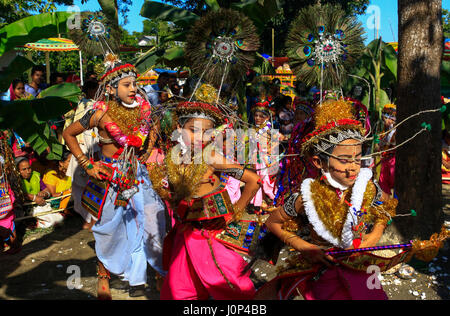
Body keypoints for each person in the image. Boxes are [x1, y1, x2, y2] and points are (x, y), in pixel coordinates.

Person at [262, 99, 397, 300]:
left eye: (358, 159)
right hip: (322, 272)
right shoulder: (307, 197)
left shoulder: (368, 187)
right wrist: (305, 247)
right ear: (318, 162)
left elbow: (387, 205)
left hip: (361, 268)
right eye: (344, 160)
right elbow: (272, 223)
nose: (353, 167)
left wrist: (375, 234)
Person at [63, 55, 166, 300]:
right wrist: (87, 165)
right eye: (127, 85)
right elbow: (68, 134)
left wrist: (149, 146)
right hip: (109, 176)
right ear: (111, 88)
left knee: (152, 220)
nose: (133, 89)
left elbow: (154, 127)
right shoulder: (99, 114)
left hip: (138, 174)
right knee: (109, 226)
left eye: (134, 84)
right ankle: (104, 275)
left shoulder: (143, 107)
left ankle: (157, 273)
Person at [153, 95, 262, 300]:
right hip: (185, 235)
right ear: (178, 127)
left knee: (228, 286)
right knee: (178, 290)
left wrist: (235, 212)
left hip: (211, 236)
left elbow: (253, 181)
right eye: (193, 130)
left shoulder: (211, 157)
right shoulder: (174, 157)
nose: (200, 137)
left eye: (207, 132)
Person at [63, 79, 100, 230]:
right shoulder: (88, 106)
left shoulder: (90, 105)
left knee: (87, 187)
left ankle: (92, 219)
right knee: (82, 188)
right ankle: (90, 218)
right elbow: (73, 131)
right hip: (84, 149)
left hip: (89, 149)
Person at [377, 104, 396, 196]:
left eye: (392, 119)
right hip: (384, 159)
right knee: (383, 182)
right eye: (388, 118)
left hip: (393, 159)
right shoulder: (381, 128)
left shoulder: (395, 129)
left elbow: (390, 142)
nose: (390, 121)